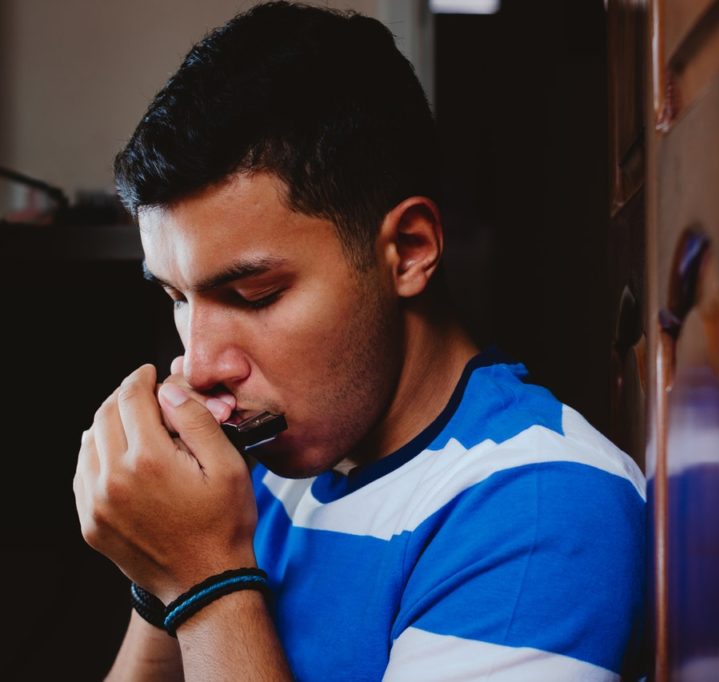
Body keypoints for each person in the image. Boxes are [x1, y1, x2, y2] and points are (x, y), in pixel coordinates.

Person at [73, 2, 646, 680]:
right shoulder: (249, 486)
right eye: (177, 297)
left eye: (254, 295)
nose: (199, 367)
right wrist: (160, 570)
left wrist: (206, 585)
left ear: (408, 251)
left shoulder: (542, 506)